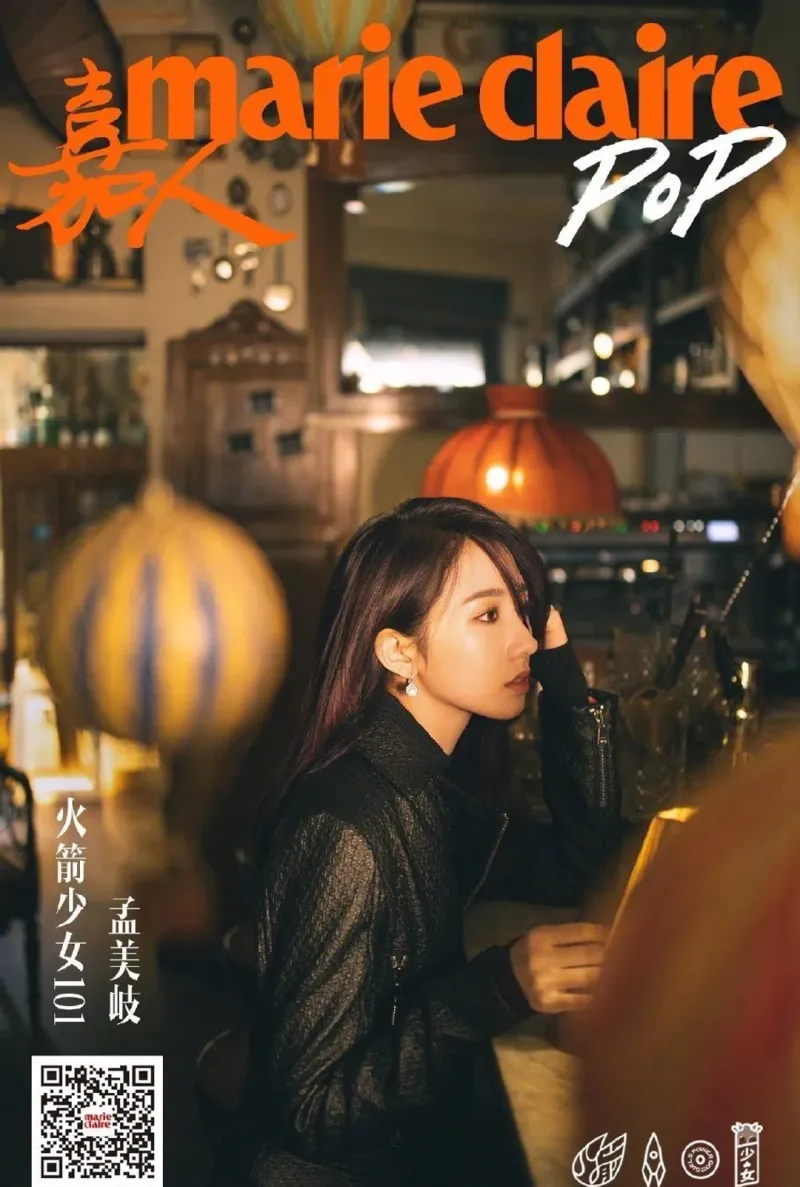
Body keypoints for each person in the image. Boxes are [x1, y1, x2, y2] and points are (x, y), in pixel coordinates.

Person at [224, 497, 621, 1187]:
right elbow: (312, 1110)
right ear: (399, 650)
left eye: (524, 610)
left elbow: (580, 859)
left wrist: (563, 680)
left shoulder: (428, 781)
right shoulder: (346, 827)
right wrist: (495, 987)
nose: (524, 640)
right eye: (488, 615)